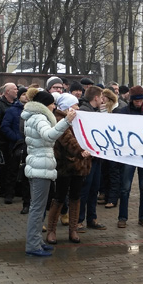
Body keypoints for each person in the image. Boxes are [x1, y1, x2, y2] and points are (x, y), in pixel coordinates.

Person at [22, 90, 76, 256]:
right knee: (38, 209)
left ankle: (37, 240)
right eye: (52, 103)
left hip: (38, 166)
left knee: (37, 207)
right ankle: (33, 245)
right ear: (46, 105)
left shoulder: (33, 116)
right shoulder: (39, 117)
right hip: (40, 168)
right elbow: (48, 136)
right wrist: (66, 121)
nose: (54, 106)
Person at [45, 93, 90, 244]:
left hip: (79, 165)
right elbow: (67, 139)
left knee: (76, 197)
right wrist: (81, 151)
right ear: (67, 107)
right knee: (59, 197)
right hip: (65, 165)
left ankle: (73, 230)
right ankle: (51, 230)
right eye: (75, 105)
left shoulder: (79, 119)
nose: (78, 107)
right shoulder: (59, 119)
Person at [116, 86, 143, 228]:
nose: (138, 103)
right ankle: (122, 217)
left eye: (140, 100)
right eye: (136, 100)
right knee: (125, 187)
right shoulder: (124, 112)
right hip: (129, 154)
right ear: (131, 100)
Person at [77, 86, 107, 229]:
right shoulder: (84, 112)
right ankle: (79, 219)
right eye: (101, 97)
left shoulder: (94, 112)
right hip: (87, 158)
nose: (102, 100)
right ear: (96, 98)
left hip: (96, 158)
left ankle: (92, 218)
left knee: (94, 189)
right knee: (85, 189)